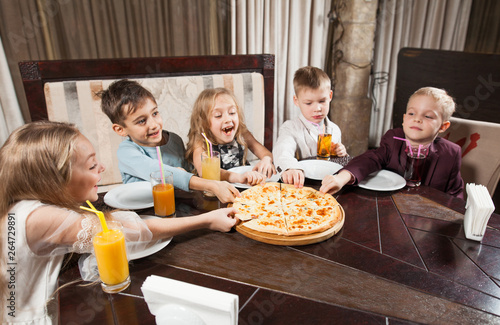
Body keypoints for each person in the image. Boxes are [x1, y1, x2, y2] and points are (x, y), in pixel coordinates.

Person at [0, 121, 238, 324]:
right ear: (54, 180)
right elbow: (132, 230)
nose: (102, 168)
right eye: (92, 165)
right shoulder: (38, 218)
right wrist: (207, 220)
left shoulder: (21, 209)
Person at [99, 79, 240, 203]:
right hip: (143, 215)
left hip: (179, 207)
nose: (154, 124)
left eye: (155, 113)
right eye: (142, 121)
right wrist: (212, 185)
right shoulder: (127, 152)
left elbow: (188, 175)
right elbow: (161, 172)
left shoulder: (174, 140)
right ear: (120, 130)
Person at [320, 87, 464, 199]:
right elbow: (370, 159)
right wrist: (342, 177)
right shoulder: (393, 138)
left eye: (427, 116)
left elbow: (455, 194)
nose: (417, 119)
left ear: (443, 126)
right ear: (404, 118)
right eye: (412, 113)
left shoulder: (451, 153)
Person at [272, 66, 347, 187]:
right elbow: (282, 151)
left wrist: (340, 152)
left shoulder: (335, 130)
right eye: (308, 103)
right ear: (296, 101)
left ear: (330, 96)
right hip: (301, 184)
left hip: (329, 184)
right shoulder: (290, 128)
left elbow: (337, 162)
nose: (317, 109)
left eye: (322, 101)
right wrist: (290, 168)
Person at [185, 88, 276, 184]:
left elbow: (265, 153)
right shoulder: (201, 141)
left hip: (243, 188)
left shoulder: (242, 133)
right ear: (204, 122)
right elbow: (203, 171)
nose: (228, 119)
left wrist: (267, 159)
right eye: (218, 115)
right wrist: (238, 178)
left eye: (232, 112)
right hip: (215, 191)